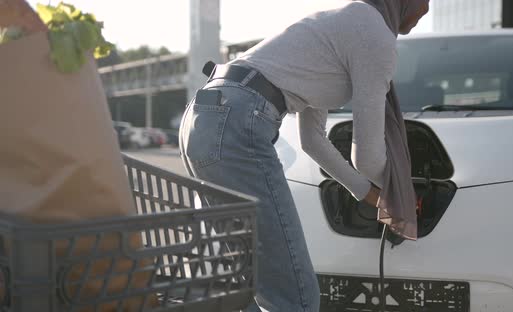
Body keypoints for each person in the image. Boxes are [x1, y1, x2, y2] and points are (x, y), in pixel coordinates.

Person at [179, 1, 429, 311]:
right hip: (237, 122)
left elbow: (312, 140)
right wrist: (403, 193)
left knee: (262, 284)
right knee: (294, 296)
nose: (427, 10)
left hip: (207, 117)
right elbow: (367, 157)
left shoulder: (345, 22)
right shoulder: (375, 35)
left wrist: (373, 196)